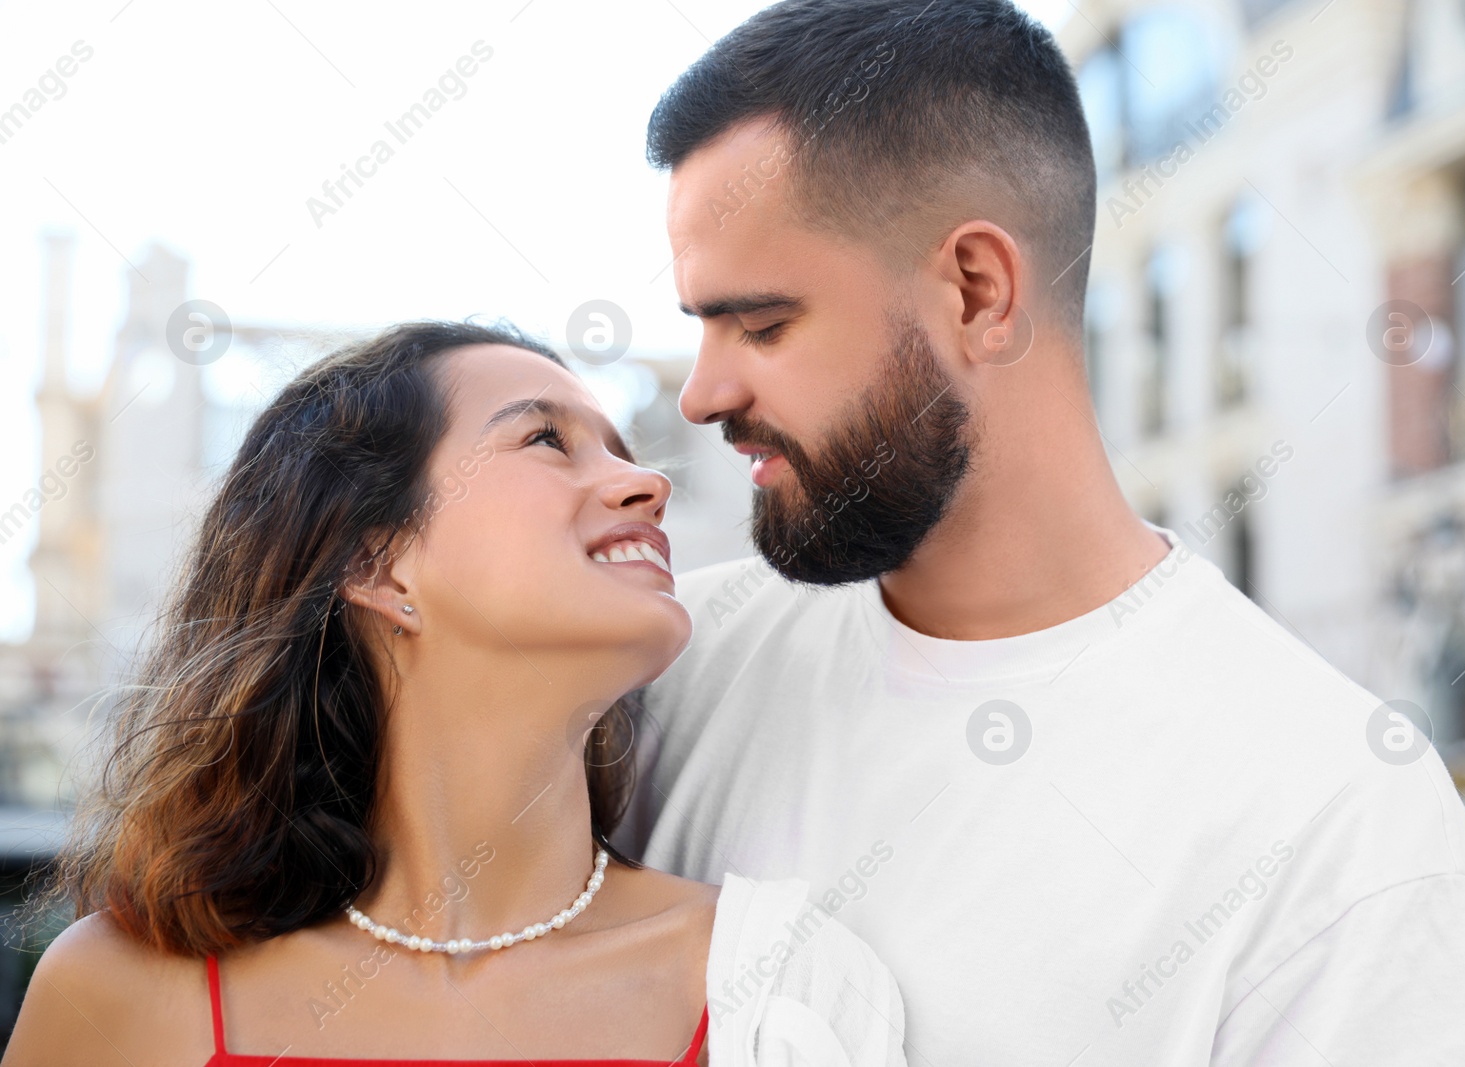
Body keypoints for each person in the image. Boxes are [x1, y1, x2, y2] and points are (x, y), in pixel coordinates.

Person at [617, 0, 1465, 1062]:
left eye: (761, 323)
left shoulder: (1333, 814)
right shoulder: (664, 673)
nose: (704, 394)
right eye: (700, 327)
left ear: (978, 290)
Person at [5, 321, 906, 1066]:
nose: (649, 484)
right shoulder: (119, 993)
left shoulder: (779, 987)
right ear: (375, 559)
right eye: (547, 438)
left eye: (624, 453)